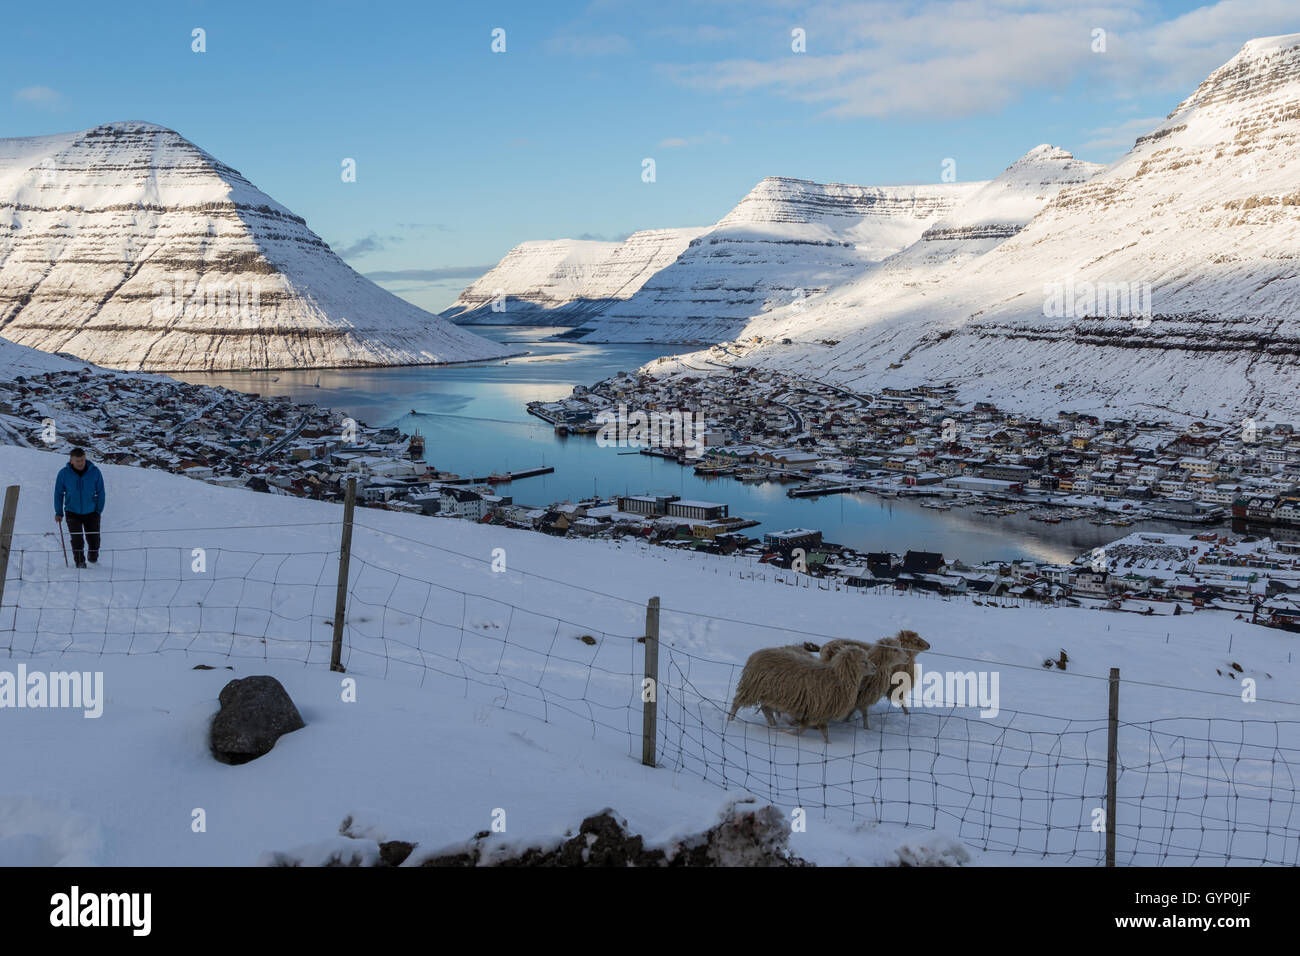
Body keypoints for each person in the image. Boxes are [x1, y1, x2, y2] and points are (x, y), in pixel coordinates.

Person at [54, 447, 106, 569]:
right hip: (72, 511)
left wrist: (98, 510)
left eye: (82, 460)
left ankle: (93, 559)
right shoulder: (63, 473)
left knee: (94, 540)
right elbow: (58, 493)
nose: (80, 463)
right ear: (71, 461)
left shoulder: (95, 471)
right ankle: (80, 563)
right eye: (77, 461)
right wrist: (59, 512)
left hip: (92, 511)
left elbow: (101, 492)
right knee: (77, 540)